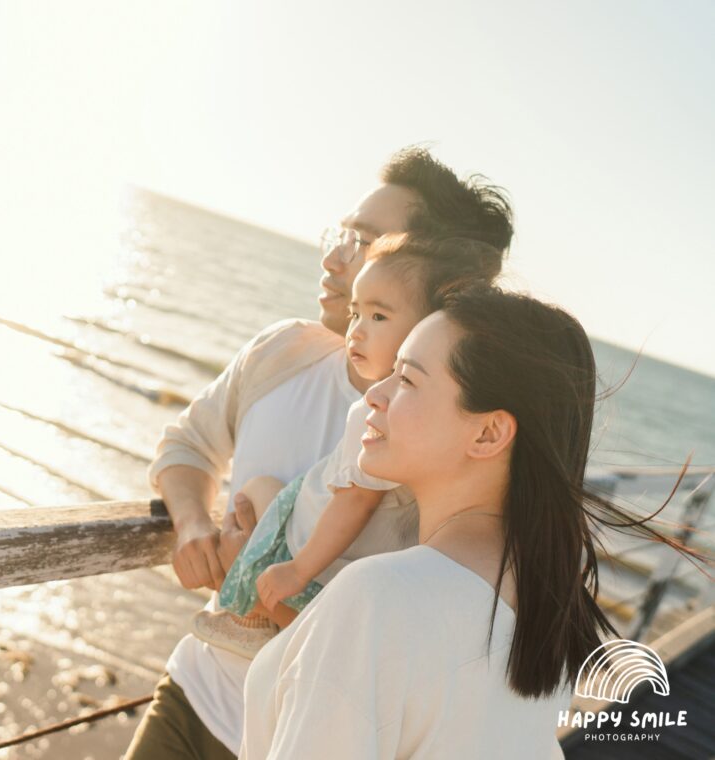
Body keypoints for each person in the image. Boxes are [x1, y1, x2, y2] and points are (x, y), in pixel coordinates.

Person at [125, 147, 515, 760]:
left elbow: (421, 633)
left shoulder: (448, 443)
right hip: (193, 687)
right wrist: (195, 525)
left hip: (298, 739)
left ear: (435, 280)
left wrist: (268, 579)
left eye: (364, 243)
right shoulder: (282, 350)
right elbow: (188, 445)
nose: (334, 259)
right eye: (341, 235)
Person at [240, 288, 702, 759]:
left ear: (488, 433)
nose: (375, 394)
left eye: (407, 379)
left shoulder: (379, 597)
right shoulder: (545, 606)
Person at [191, 233, 502, 659]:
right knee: (261, 491)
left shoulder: (375, 411)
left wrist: (299, 569)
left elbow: (357, 500)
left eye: (378, 316)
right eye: (355, 313)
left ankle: (250, 615)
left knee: (260, 501)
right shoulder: (421, 418)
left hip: (312, 545)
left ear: (428, 329)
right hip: (314, 519)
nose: (356, 331)